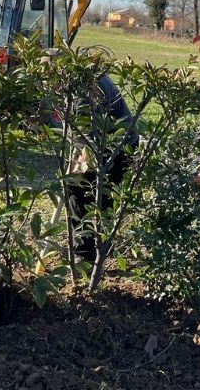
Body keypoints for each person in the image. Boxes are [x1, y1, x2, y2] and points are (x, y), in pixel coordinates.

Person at [66, 74, 139, 264]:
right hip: (117, 143)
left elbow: (89, 137)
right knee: (99, 199)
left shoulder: (85, 90)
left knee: (80, 191)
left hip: (115, 147)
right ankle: (100, 248)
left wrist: (76, 169)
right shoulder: (87, 75)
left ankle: (86, 255)